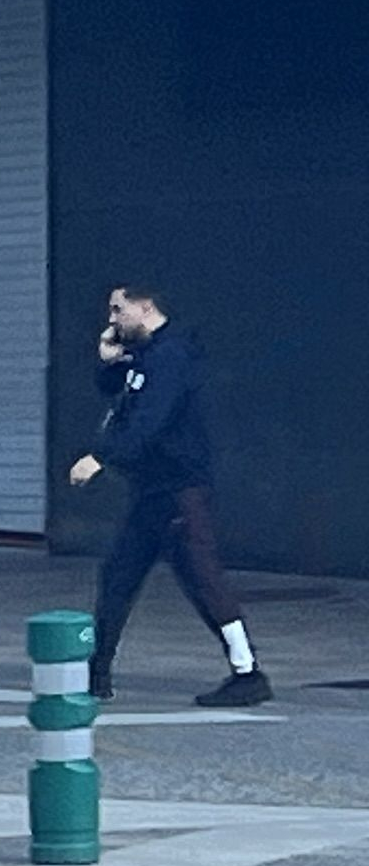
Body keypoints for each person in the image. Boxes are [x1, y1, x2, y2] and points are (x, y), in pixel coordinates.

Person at [72, 281, 267, 708]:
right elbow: (118, 392)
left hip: (179, 490)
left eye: (117, 310)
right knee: (118, 576)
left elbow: (150, 421)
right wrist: (108, 362)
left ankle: (248, 673)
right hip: (151, 491)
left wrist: (102, 457)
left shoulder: (172, 357)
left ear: (145, 307)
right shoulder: (144, 356)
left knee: (203, 579)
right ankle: (97, 672)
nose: (111, 320)